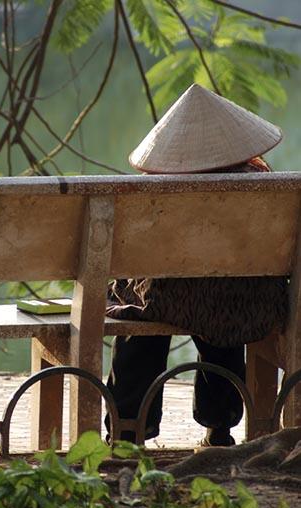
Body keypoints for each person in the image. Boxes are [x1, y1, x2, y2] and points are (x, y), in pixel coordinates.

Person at [106, 84, 288, 447]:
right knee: (224, 304)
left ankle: (128, 431)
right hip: (255, 301)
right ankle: (220, 427)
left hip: (175, 300)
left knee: (141, 312)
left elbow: (136, 254)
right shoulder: (265, 183)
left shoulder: (160, 188)